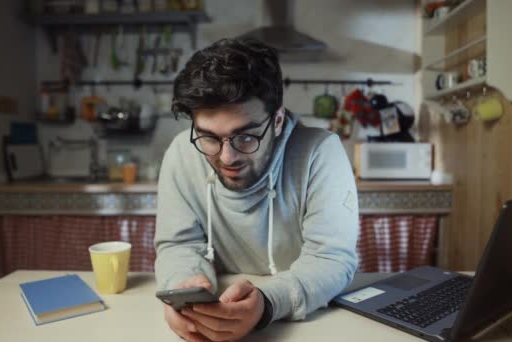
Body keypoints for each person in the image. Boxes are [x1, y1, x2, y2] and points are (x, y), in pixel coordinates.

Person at [154, 38, 359, 342]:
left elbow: (332, 259)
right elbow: (177, 245)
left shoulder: (321, 152)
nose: (227, 158)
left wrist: (266, 304)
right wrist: (185, 290)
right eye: (208, 137)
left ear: (277, 120)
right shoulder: (181, 153)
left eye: (246, 137)